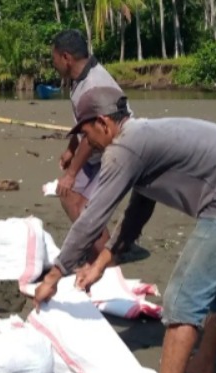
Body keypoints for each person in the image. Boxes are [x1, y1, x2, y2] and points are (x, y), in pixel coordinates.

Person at [33, 86, 216, 373]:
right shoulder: (141, 137)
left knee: (182, 298)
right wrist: (101, 263)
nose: (87, 142)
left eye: (87, 134)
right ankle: (204, 365)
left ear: (104, 123)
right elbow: (140, 208)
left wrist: (54, 275)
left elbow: (92, 218)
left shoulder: (123, 149)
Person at [50, 30, 152, 261]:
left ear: (66, 57)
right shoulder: (80, 78)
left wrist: (71, 173)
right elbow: (84, 124)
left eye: (54, 58)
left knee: (86, 208)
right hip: (96, 150)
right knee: (68, 196)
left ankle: (106, 261)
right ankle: (99, 249)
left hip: (118, 150)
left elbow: (93, 136)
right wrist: (70, 149)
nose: (53, 64)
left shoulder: (93, 85)